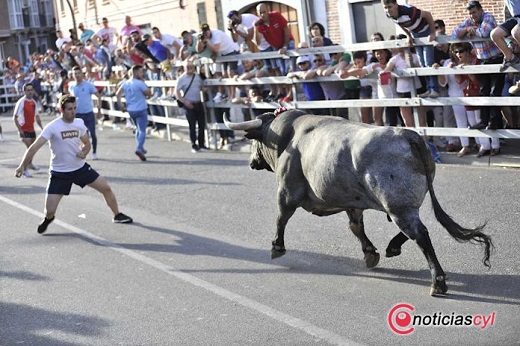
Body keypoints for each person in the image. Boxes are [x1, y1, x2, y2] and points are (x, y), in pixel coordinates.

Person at [14, 94, 133, 234]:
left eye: (74, 108)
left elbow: (87, 143)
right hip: (60, 173)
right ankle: (49, 218)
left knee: (106, 188)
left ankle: (117, 215)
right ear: (62, 110)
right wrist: (22, 165)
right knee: (49, 210)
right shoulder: (53, 127)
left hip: (79, 168)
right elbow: (34, 147)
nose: (73, 111)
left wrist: (84, 151)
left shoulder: (79, 123)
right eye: (70, 109)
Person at [453, 0, 504, 133]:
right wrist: (466, 29)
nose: (472, 15)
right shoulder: (469, 22)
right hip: (482, 61)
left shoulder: (488, 17)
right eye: (470, 13)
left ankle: (494, 122)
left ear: (480, 10)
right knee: (484, 91)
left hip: (496, 59)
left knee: (494, 92)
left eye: (474, 12)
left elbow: (484, 32)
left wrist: (473, 30)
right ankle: (484, 121)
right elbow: (455, 33)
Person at [381, 0, 439, 98]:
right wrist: (408, 35)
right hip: (415, 34)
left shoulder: (407, 10)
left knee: (428, 61)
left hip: (425, 31)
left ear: (395, 5)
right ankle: (429, 89)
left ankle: (434, 89)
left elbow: (428, 15)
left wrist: (432, 32)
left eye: (390, 7)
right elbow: (400, 24)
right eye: (385, 7)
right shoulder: (390, 15)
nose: (388, 10)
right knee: (422, 63)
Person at [116, 64, 152, 161]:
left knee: (137, 128)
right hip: (141, 108)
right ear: (135, 72)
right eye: (140, 72)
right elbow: (149, 93)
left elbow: (117, 94)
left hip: (131, 109)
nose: (142, 74)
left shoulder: (126, 83)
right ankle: (139, 148)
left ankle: (140, 146)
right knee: (142, 130)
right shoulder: (139, 83)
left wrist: (121, 106)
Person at [69, 66, 103, 160]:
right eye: (74, 73)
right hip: (77, 115)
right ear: (72, 75)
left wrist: (99, 110)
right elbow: (70, 100)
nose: (76, 75)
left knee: (92, 134)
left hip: (88, 113)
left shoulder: (88, 85)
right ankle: (81, 152)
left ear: (82, 74)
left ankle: (94, 152)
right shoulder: (71, 86)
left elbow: (98, 96)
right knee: (80, 135)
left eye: (78, 73)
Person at [175, 61, 208, 153]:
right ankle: (194, 144)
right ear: (184, 68)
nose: (190, 68)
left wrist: (206, 89)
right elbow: (177, 93)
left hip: (198, 102)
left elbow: (202, 87)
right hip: (189, 104)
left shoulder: (197, 77)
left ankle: (202, 143)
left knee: (202, 124)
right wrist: (185, 102)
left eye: (191, 66)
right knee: (192, 125)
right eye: (188, 67)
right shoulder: (181, 79)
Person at [13, 83, 44, 177]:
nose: (30, 92)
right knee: (29, 149)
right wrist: (20, 130)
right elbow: (15, 117)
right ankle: (24, 170)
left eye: (31, 90)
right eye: (28, 90)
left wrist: (42, 128)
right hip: (24, 129)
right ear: (24, 91)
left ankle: (30, 164)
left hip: (31, 129)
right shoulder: (21, 102)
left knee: (32, 149)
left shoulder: (33, 102)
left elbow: (37, 116)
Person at [491, 0, 520, 71]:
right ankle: (510, 58)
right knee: (495, 34)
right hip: (516, 18)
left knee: (515, 32)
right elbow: (507, 18)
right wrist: (510, 42)